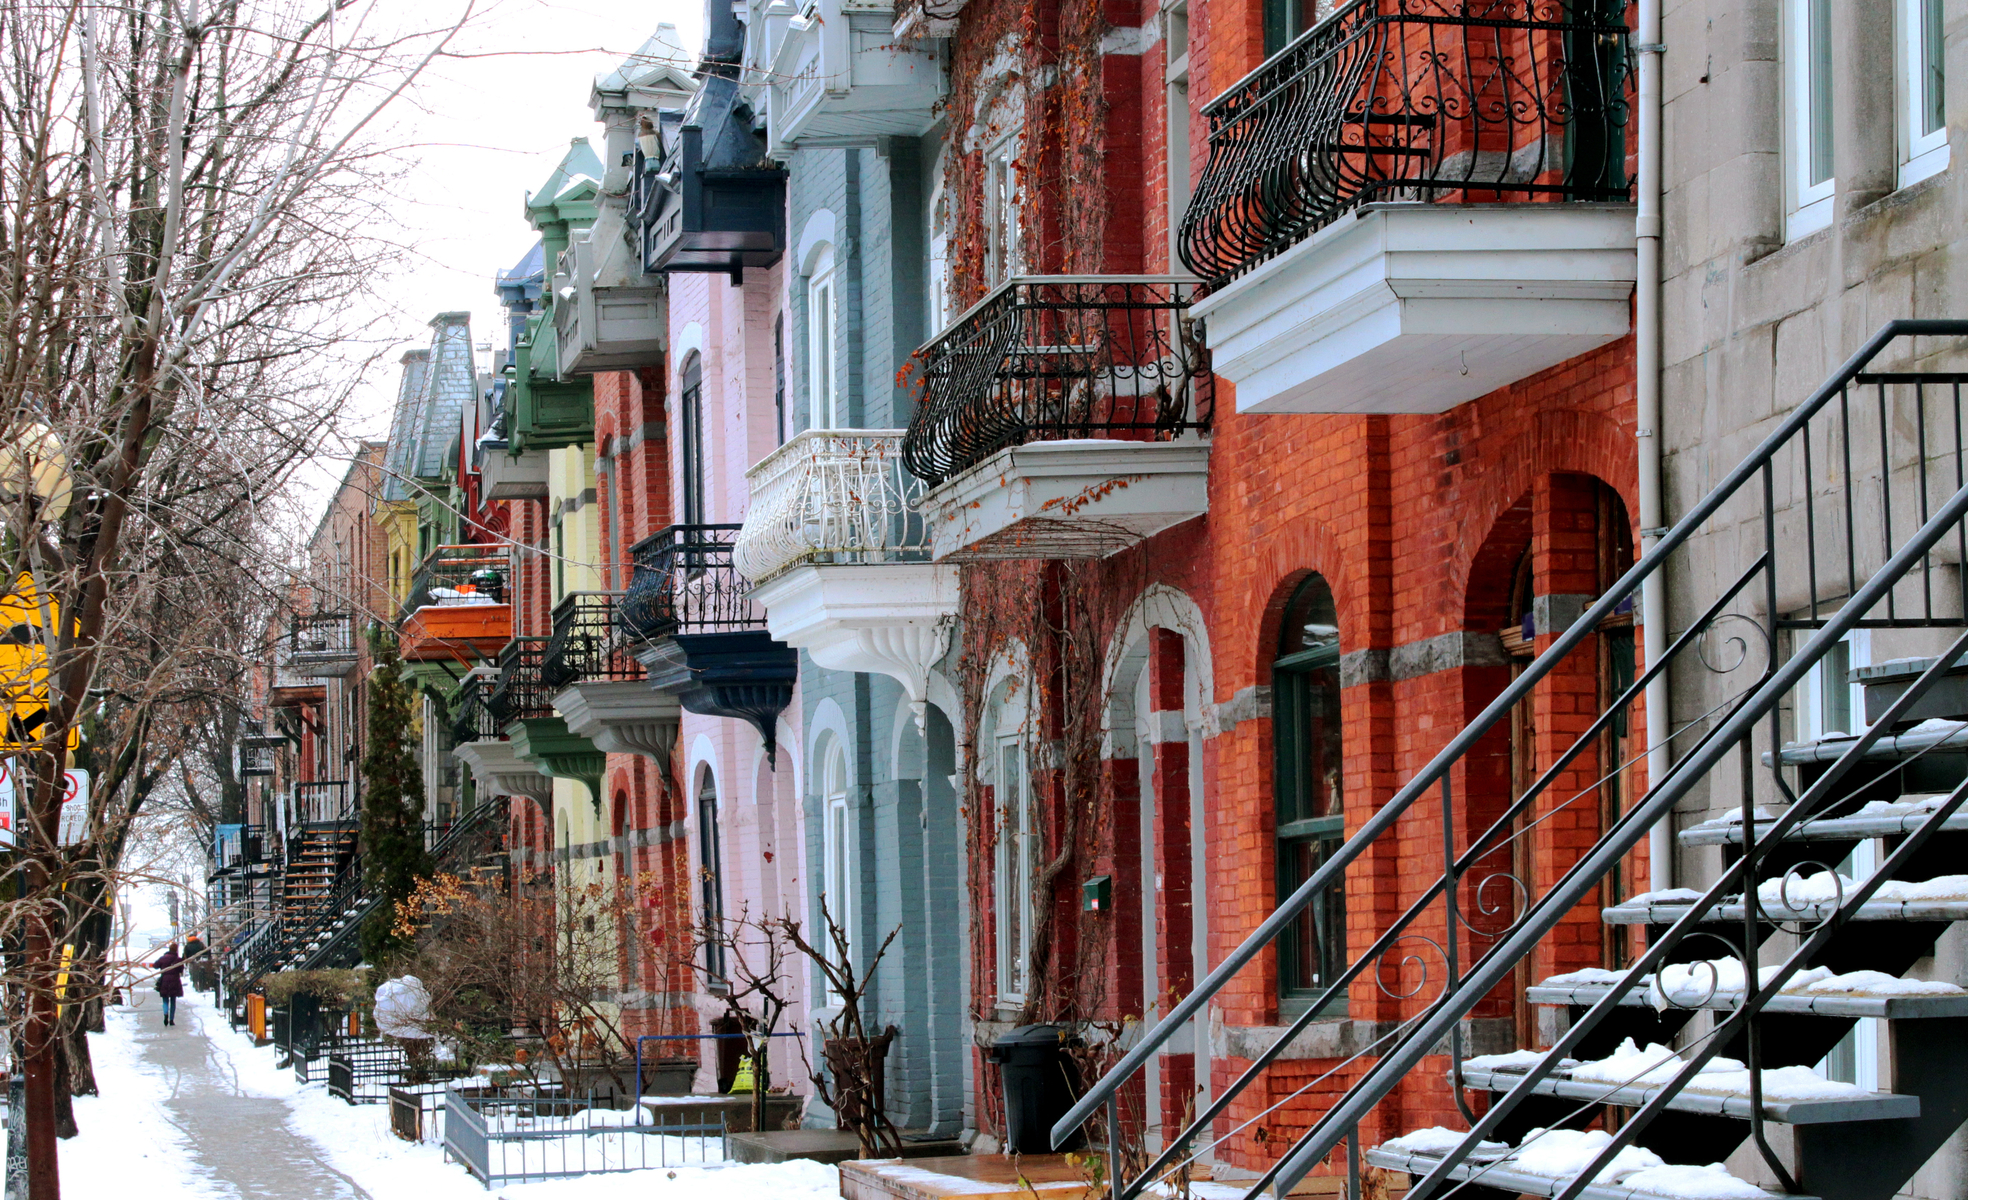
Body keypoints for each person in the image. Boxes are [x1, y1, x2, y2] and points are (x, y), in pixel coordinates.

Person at [152, 942, 184, 1026]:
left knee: (165, 1000)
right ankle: (171, 1019)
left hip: (164, 981)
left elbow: (155, 965)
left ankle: (165, 1015)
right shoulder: (178, 960)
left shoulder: (163, 958)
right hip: (175, 981)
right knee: (173, 1001)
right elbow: (181, 970)